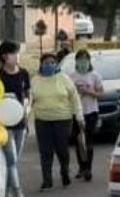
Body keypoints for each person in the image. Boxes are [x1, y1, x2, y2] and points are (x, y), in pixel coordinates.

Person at [31, 53, 84, 192]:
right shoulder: (35, 80)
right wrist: (24, 117)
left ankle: (65, 173)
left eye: (52, 63)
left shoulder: (64, 79)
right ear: (41, 65)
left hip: (63, 120)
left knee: (62, 150)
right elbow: (29, 101)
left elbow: (75, 98)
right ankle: (47, 181)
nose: (49, 65)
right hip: (42, 121)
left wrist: (79, 116)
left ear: (56, 65)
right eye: (46, 63)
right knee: (45, 152)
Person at [0, 41, 31, 197]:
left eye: (17, 52)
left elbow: (27, 95)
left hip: (20, 122)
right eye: (13, 53)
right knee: (11, 159)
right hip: (4, 123)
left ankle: (7, 191)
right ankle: (17, 192)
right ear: (5, 55)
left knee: (15, 160)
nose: (16, 56)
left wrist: (26, 112)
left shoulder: (23, 73)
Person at [68, 50, 103, 182]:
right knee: (78, 141)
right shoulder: (71, 77)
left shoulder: (95, 76)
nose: (83, 62)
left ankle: (88, 169)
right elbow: (67, 95)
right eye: (80, 59)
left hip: (91, 111)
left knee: (88, 140)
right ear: (76, 61)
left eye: (85, 59)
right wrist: (76, 93)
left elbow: (100, 94)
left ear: (89, 61)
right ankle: (81, 167)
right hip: (76, 112)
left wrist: (89, 91)